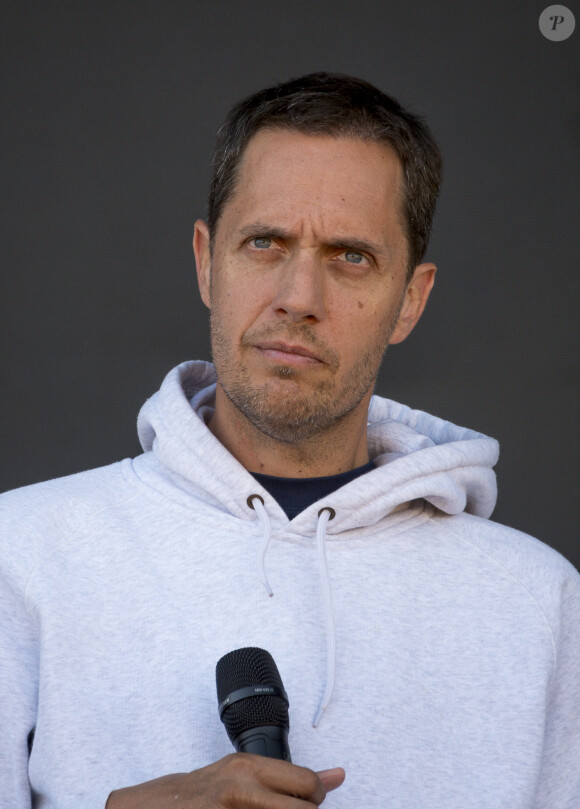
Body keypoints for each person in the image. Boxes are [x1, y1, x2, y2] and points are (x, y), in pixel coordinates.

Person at [1, 72, 579, 809]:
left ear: (411, 299)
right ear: (208, 261)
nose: (299, 298)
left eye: (351, 256)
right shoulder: (18, 556)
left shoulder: (540, 604)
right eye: (265, 242)